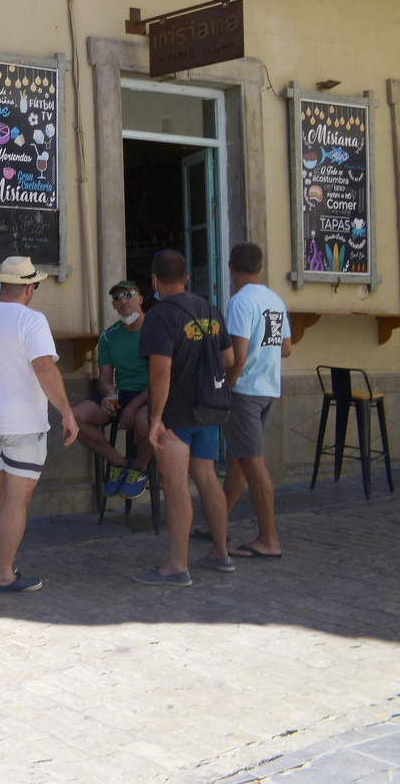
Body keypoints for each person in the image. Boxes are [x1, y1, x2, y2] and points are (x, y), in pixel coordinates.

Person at [0, 257, 79, 592]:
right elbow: (45, 368)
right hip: (23, 423)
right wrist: (67, 413)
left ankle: (2, 561)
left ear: (2, 284)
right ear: (29, 287)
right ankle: (3, 573)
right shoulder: (31, 320)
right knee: (17, 500)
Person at [134, 250, 237, 586]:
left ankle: (177, 565)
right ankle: (221, 553)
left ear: (153, 279)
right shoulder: (209, 308)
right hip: (209, 408)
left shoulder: (159, 315)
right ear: (187, 278)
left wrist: (155, 418)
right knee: (207, 477)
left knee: (176, 486)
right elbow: (230, 356)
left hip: (176, 413)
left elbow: (160, 372)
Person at [211, 242, 290, 559]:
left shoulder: (240, 302)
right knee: (240, 459)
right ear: (261, 266)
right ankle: (218, 521)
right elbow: (285, 348)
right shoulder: (275, 300)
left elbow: (237, 356)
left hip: (244, 391)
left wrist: (225, 387)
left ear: (230, 267)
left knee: (253, 464)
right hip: (269, 387)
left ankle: (268, 538)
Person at [67, 281, 153, 499]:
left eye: (128, 294)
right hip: (122, 394)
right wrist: (110, 395)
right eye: (117, 298)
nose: (123, 301)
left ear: (140, 298)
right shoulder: (108, 336)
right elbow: (104, 379)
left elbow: (162, 378)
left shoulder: (156, 329)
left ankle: (140, 469)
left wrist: (133, 406)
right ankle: (120, 463)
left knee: (144, 423)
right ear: (113, 305)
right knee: (74, 417)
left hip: (151, 394)